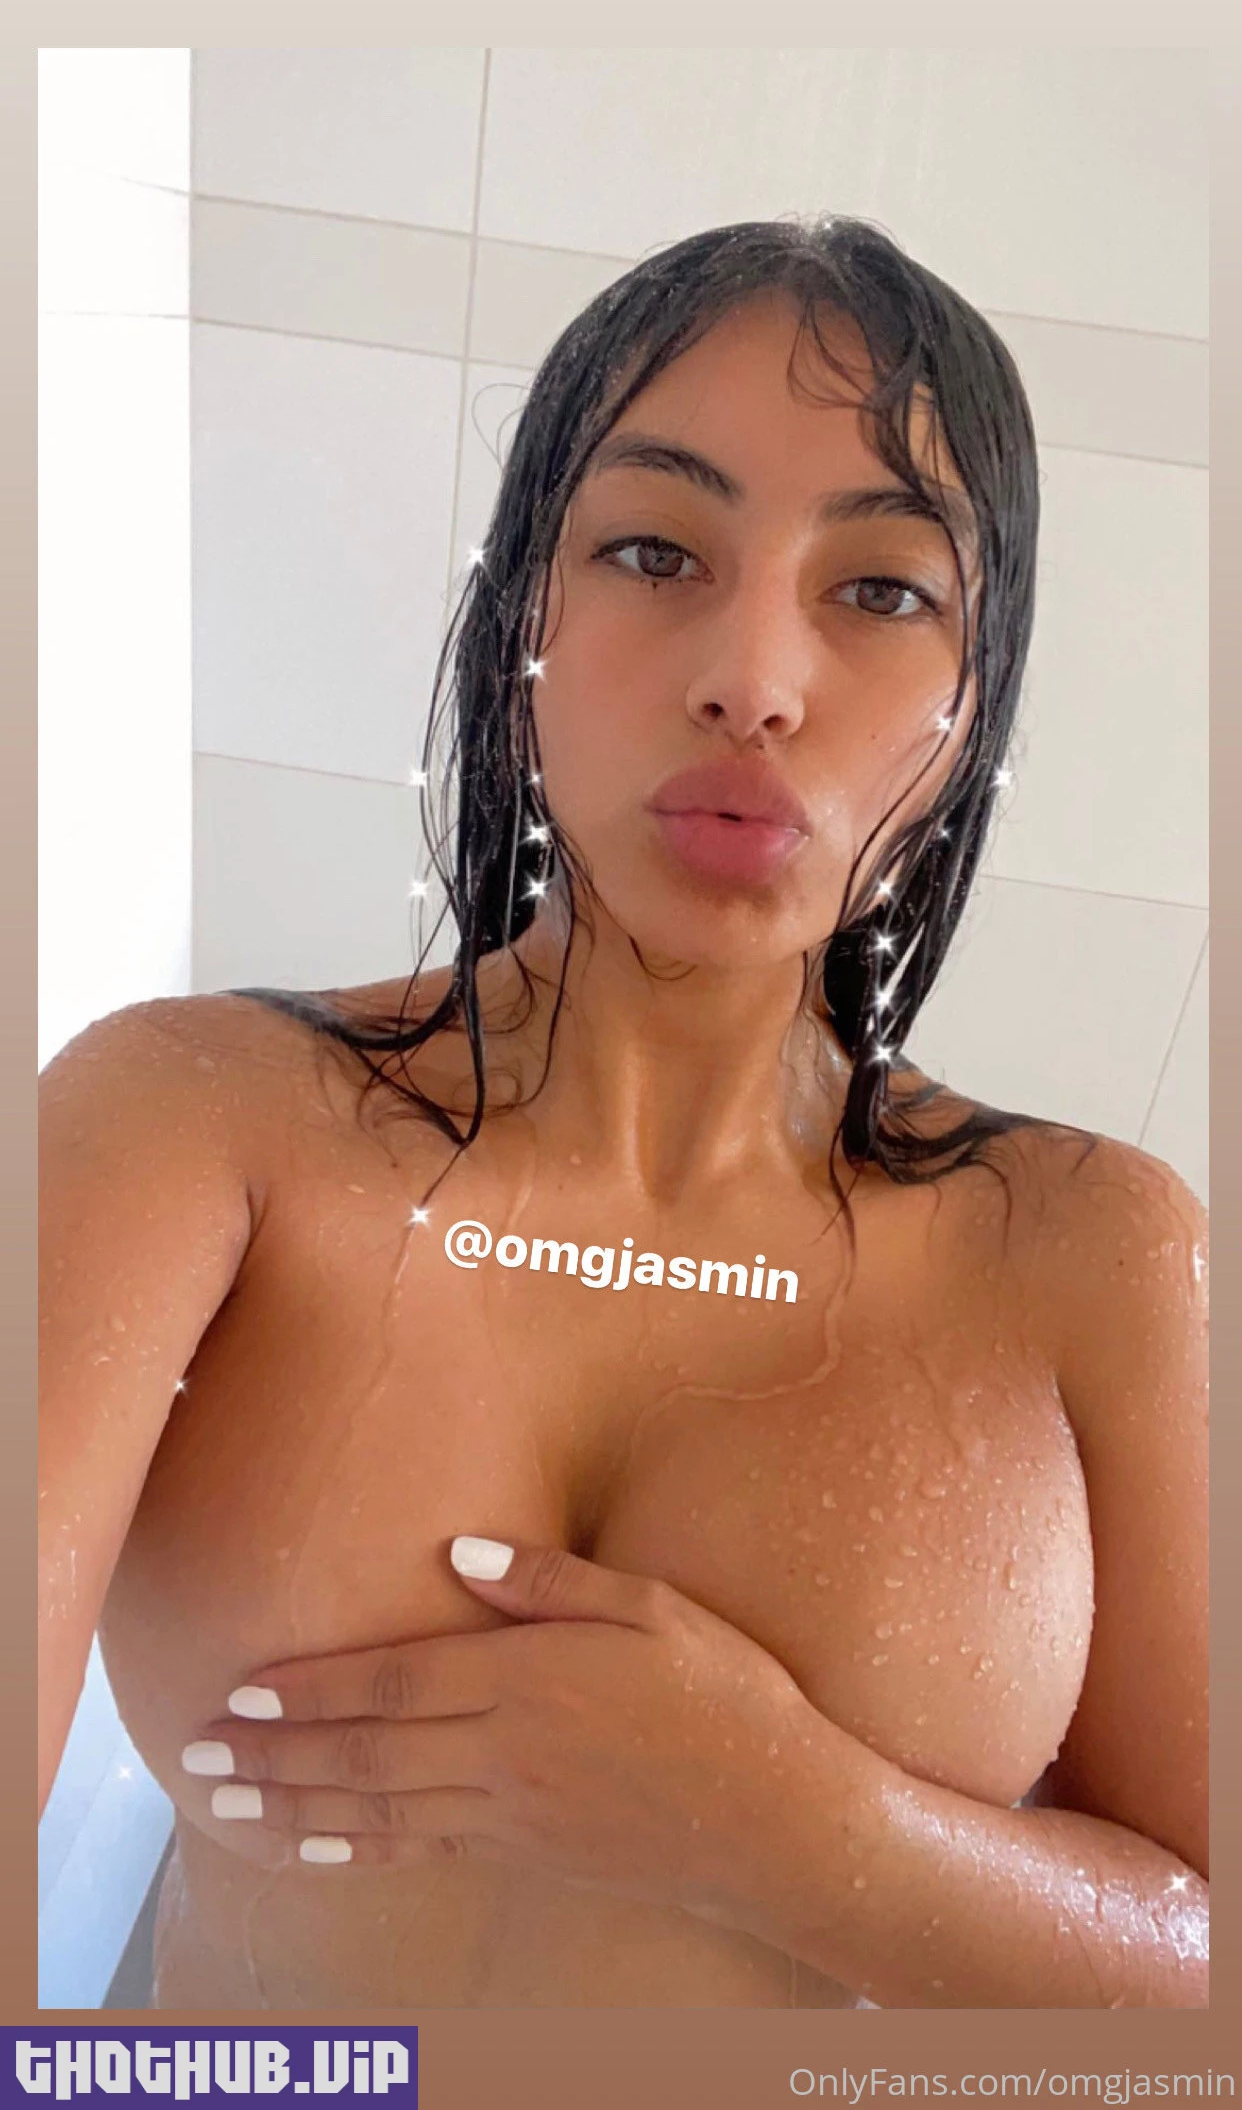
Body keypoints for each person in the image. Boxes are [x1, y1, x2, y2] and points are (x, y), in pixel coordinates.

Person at [38, 217, 1208, 2010]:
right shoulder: (186, 1128)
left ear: (971, 710)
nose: (753, 679)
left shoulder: (1098, 1253)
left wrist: (784, 1821)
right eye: (654, 551)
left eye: (881, 591)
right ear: (528, 617)